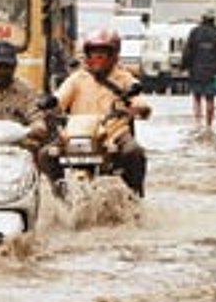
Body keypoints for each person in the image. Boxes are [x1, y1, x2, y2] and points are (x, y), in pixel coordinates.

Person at [39, 28, 151, 198]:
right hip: (76, 133)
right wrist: (50, 102)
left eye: (103, 53)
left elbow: (138, 99)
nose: (97, 58)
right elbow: (60, 98)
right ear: (86, 54)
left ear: (113, 55)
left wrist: (139, 107)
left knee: (134, 152)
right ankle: (59, 193)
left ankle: (135, 195)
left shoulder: (124, 78)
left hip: (114, 133)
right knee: (46, 154)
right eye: (93, 53)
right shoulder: (77, 78)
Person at [181, 8, 216, 130]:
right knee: (210, 99)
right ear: (213, 19)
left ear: (202, 18)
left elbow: (188, 51)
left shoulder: (194, 32)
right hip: (212, 71)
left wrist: (184, 66)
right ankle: (209, 125)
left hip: (196, 70)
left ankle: (198, 123)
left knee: (196, 97)